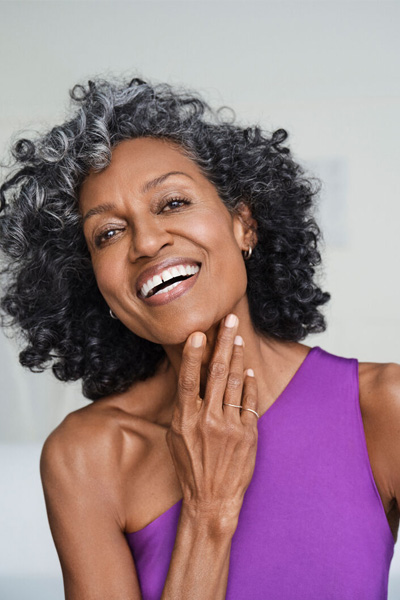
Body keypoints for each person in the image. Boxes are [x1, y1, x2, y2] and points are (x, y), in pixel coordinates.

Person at [0, 76, 399, 600]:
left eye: (171, 203)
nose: (147, 242)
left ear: (243, 224)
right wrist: (208, 509)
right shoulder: (89, 457)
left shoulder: (382, 408)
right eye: (109, 233)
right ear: (94, 283)